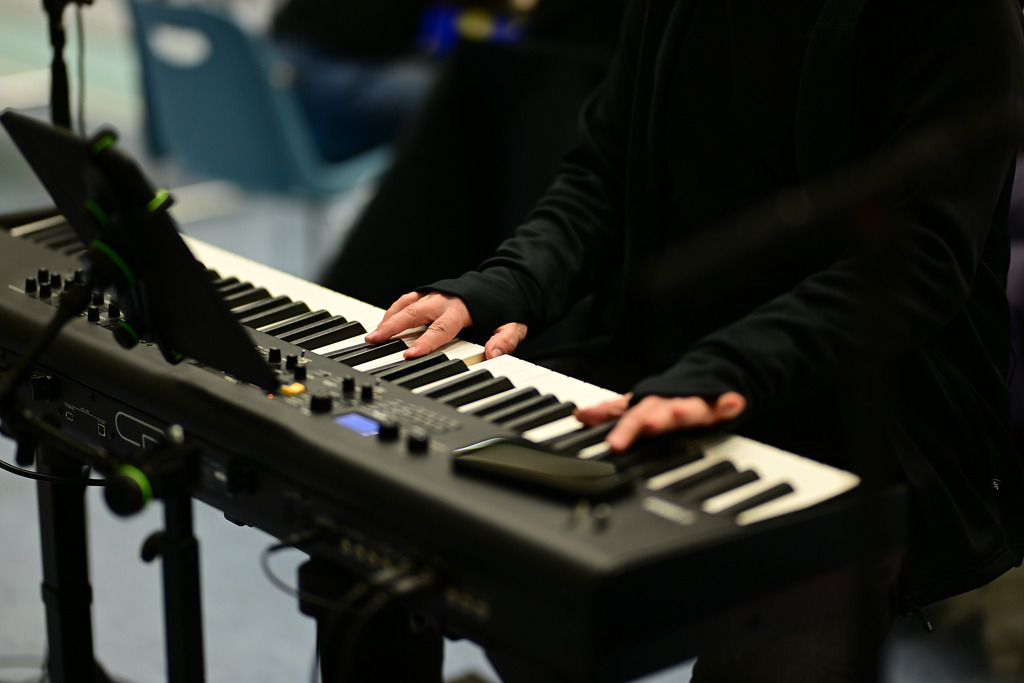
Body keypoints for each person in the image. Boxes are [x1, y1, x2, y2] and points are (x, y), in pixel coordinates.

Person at [362, 0, 1024, 679]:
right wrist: (509, 282)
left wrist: (724, 370)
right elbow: (603, 174)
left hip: (861, 415)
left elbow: (912, 264)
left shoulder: (960, 14)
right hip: (661, 369)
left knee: (769, 661)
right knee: (485, 564)